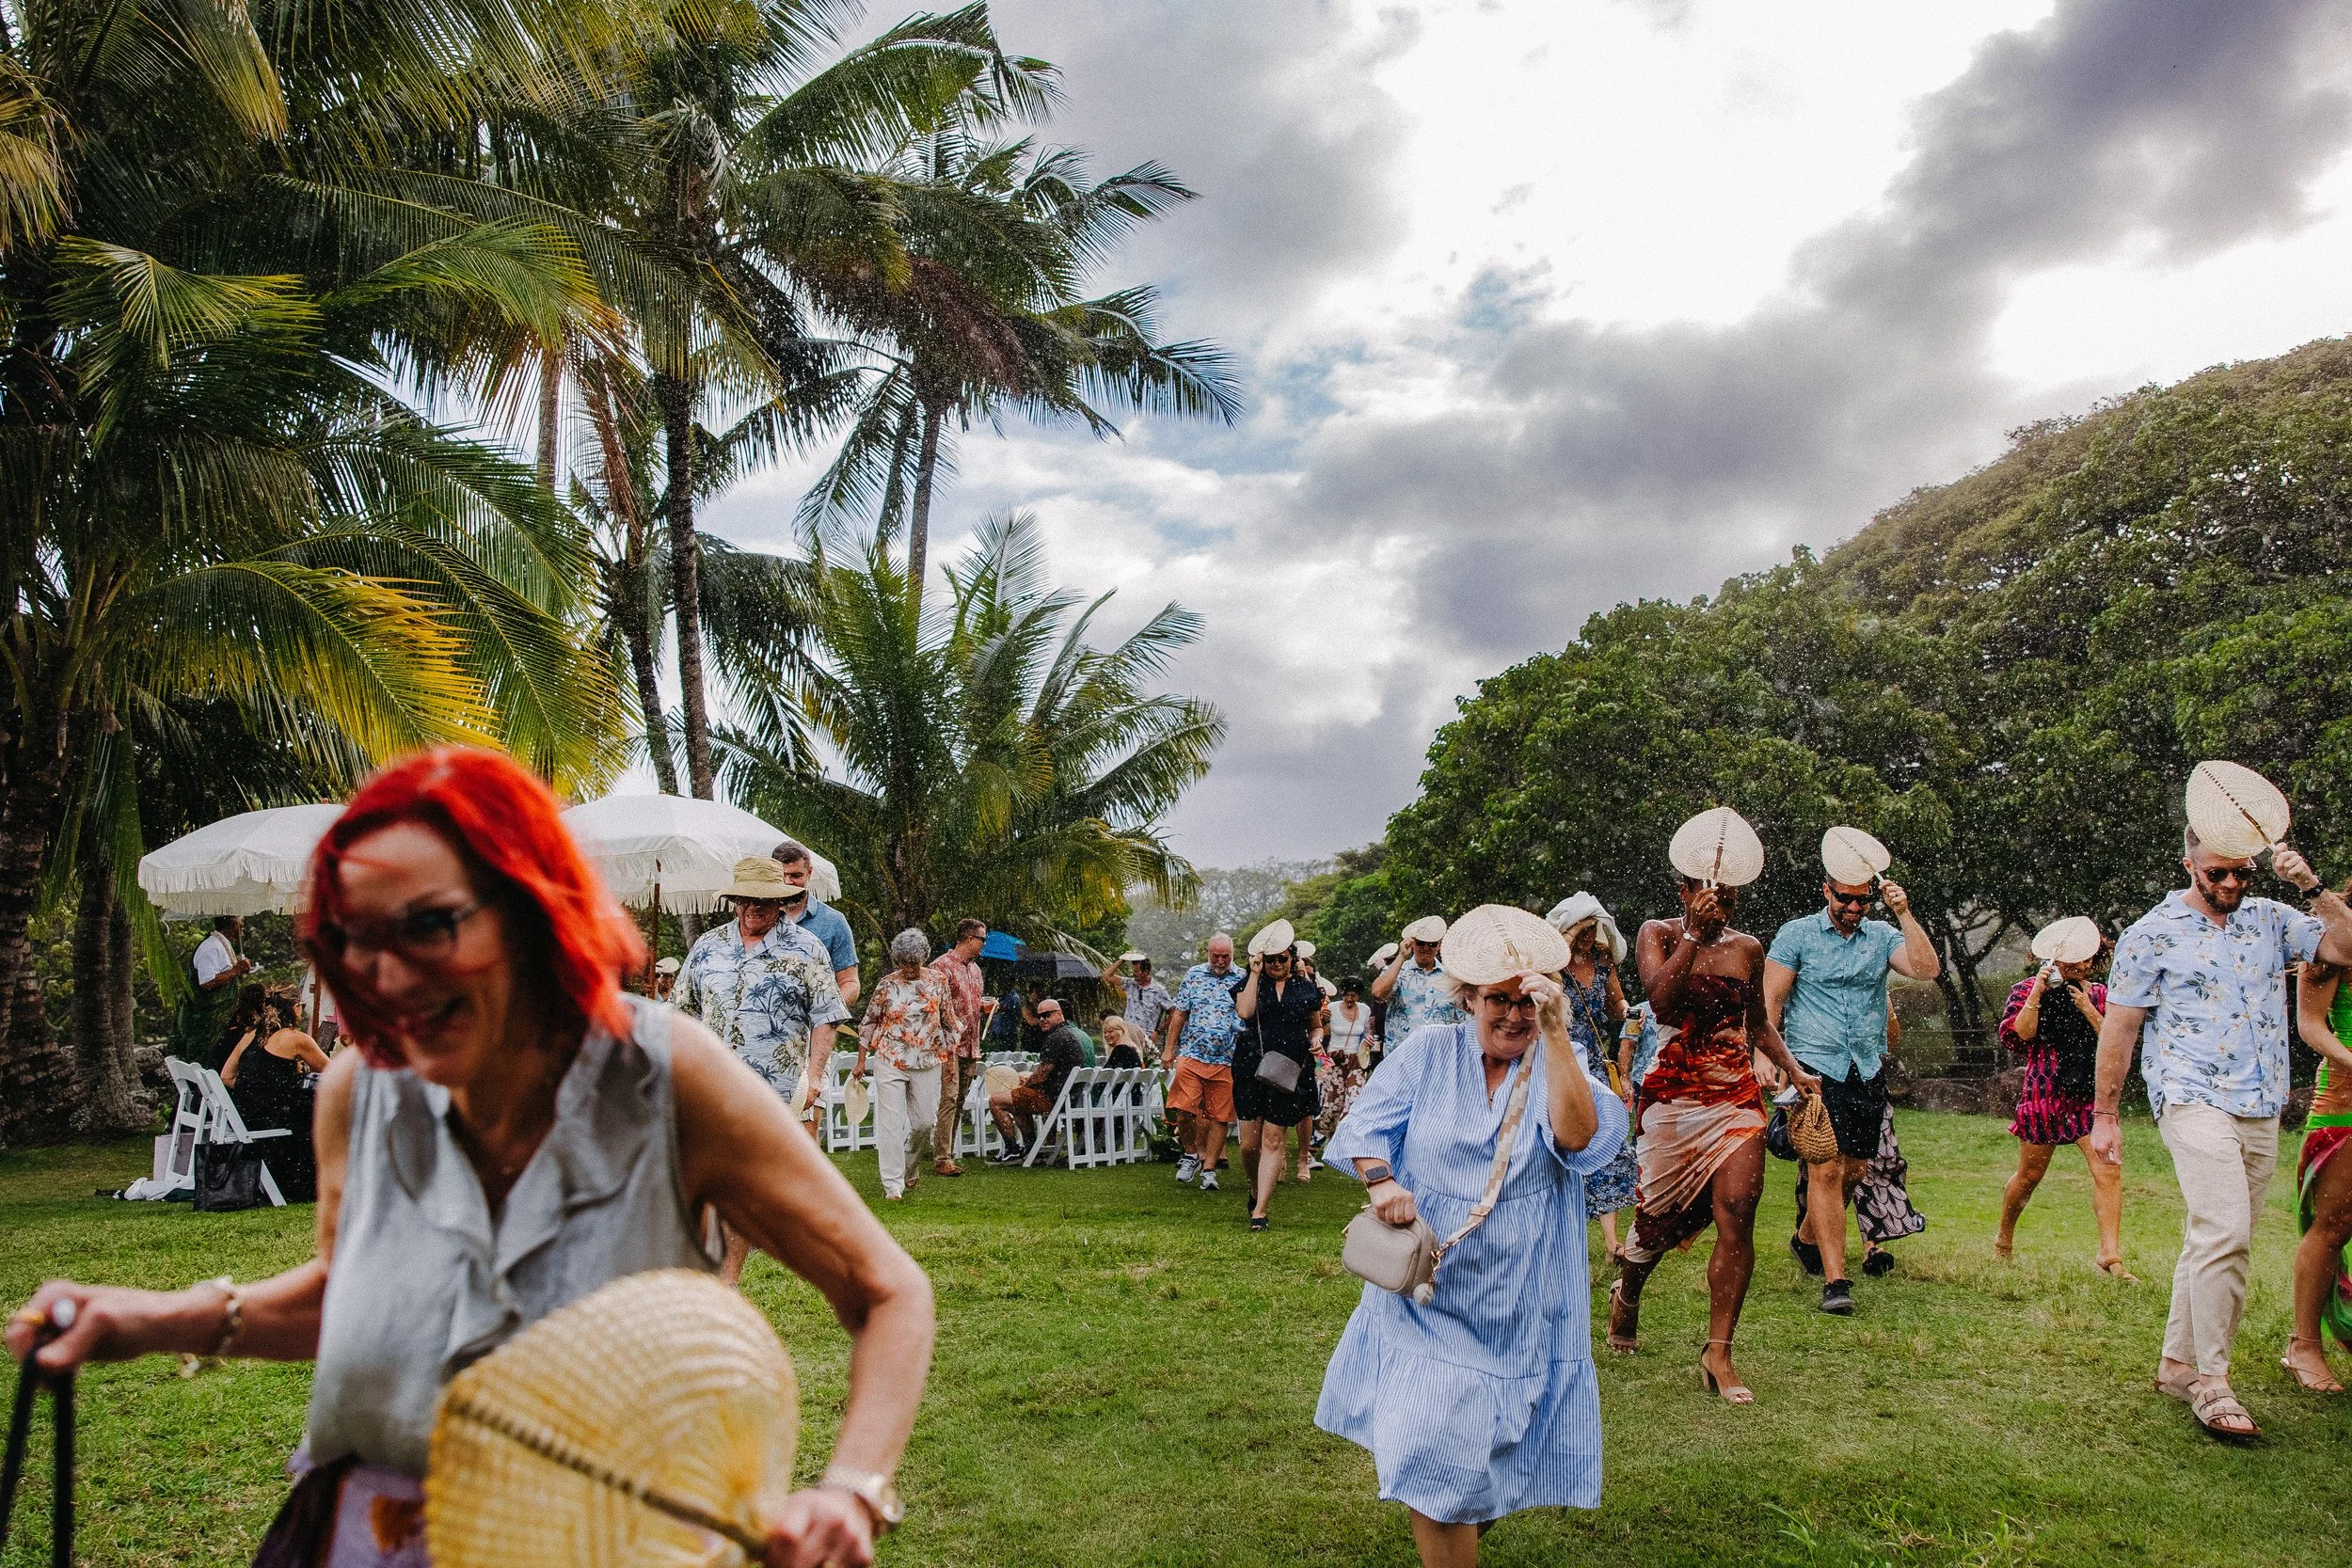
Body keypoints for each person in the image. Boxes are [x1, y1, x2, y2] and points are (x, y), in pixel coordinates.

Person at [7, 747, 930, 1567]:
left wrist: (851, 1488)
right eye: (351, 940)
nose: (386, 974)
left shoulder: (666, 1077)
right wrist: (148, 1319)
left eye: (430, 925)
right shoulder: (356, 1093)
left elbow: (884, 1288)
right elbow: (357, 1296)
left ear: (533, 908)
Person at [1317, 905, 1623, 1568]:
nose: (1512, 1015)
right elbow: (1366, 1128)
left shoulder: (1553, 1065)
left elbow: (1577, 1136)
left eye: (1524, 1002)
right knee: (1434, 1456)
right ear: (1470, 999)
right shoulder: (1428, 1051)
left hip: (1512, 1298)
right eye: (1498, 1001)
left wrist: (1558, 1033)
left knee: (1466, 1471)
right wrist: (1380, 1183)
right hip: (1426, 1294)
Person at [2091, 822, 2352, 1440]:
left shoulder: (2272, 918)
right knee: (2227, 1228)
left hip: (2260, 1104)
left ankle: (2177, 1365)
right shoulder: (2149, 933)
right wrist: (2105, 1114)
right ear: (2188, 863)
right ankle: (2212, 1381)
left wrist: (2311, 885)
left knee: (2216, 1234)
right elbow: (2121, 1029)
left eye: (2242, 872)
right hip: (2189, 1096)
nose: (2231, 883)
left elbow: (2345, 949)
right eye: (2218, 873)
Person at [1613, 859, 1813, 1401]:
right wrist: (1694, 937)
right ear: (1683, 891)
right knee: (1654, 1220)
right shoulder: (1657, 933)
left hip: (1735, 1095)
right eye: (1706, 892)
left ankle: (1719, 1351)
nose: (1717, 901)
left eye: (1728, 894)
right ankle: (1628, 1293)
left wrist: (1793, 1070)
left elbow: (1756, 1022)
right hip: (1673, 1097)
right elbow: (1661, 1000)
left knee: (1739, 1209)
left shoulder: (1749, 948)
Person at [1762, 832, 1940, 1315]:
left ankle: (1805, 1239)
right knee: (1824, 1167)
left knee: (1855, 1170)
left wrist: (1902, 911)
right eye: (1845, 898)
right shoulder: (1796, 934)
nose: (1853, 907)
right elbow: (1770, 1002)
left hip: (1865, 1065)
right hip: (1813, 1066)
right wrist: (1772, 1062)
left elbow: (1926, 969)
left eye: (1862, 900)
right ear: (1827, 891)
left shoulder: (1882, 937)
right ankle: (1836, 1281)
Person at [674, 857, 851, 1284]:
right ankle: (702, 1273)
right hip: (711, 1086)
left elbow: (826, 1017)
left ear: (782, 902)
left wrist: (814, 1078)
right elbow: (681, 1012)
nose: (752, 908)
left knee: (738, 1187)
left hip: (774, 1090)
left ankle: (727, 1281)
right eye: (744, 899)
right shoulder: (708, 947)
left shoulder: (807, 949)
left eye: (763, 901)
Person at [1993, 915, 2128, 1275]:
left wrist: (2087, 1008)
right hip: (2044, 1093)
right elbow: (2020, 1035)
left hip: (2088, 1097)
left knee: (2108, 1171)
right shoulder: (2025, 990)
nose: (2086, 963)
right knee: (2030, 1175)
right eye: (2079, 957)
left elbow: (2114, 1042)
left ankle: (2110, 1257)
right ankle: (2003, 1240)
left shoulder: (2098, 993)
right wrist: (2038, 990)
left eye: (2090, 956)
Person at [1547, 895, 1638, 1260]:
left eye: (1592, 931)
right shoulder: (1554, 967)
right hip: (1557, 1060)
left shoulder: (1602, 961)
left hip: (1595, 1066)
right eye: (1581, 932)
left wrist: (1630, 1015)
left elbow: (1617, 1006)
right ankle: (1559, 1233)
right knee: (1560, 1143)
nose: (1588, 939)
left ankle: (1612, 1242)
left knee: (1608, 1145)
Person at [2290, 932, 2352, 1394]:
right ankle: (2304, 1345)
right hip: (2346, 1100)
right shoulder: (2331, 943)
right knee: (2335, 1223)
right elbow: (2311, 1024)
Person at [1232, 924, 1324, 1231]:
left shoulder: (1305, 988)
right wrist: (1255, 973)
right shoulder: (1251, 982)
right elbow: (1244, 1013)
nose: (1276, 964)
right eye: (1270, 959)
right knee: (1248, 1146)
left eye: (1282, 959)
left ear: (1291, 959)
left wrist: (1317, 1038)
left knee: (1273, 1139)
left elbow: (1316, 1025)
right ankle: (1255, 1187)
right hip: (1251, 1065)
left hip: (1289, 1066)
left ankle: (1260, 1210)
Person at [856, 929, 957, 1202]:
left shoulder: (939, 981)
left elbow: (949, 1022)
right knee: (890, 1123)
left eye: (913, 962)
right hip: (890, 1058)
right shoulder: (887, 985)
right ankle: (892, 1186)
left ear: (923, 958)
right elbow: (868, 1022)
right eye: (903, 963)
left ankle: (910, 1165)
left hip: (927, 1060)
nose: (908, 968)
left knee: (925, 1122)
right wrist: (861, 1060)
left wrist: (950, 1058)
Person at [220, 990, 332, 1200]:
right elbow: (333, 1071)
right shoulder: (296, 1038)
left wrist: (256, 1090)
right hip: (274, 1119)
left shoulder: (251, 1035)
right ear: (295, 1008)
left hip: (247, 1115)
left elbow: (226, 1077)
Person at [1163, 933, 1243, 1191]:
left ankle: (1209, 1170)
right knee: (1183, 1108)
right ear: (1208, 954)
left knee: (1220, 1117)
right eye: (1215, 956)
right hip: (1192, 1054)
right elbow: (1179, 1014)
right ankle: (1189, 1154)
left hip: (1226, 1058)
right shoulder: (1194, 975)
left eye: (1225, 956)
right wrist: (1169, 1050)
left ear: (1232, 954)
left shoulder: (1242, 978)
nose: (1220, 961)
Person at [929, 919, 993, 1178]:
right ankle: (941, 1158)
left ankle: (947, 1151)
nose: (984, 944)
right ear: (968, 938)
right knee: (949, 1098)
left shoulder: (976, 970)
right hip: (948, 1046)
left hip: (971, 1046)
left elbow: (971, 1005)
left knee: (959, 1101)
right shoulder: (940, 967)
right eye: (982, 939)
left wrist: (984, 1007)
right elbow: (930, 1008)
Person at [991, 996, 1087, 1162]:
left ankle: (1012, 1149)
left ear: (1059, 1014)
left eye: (1047, 1015)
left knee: (995, 1100)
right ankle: (1031, 1148)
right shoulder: (1068, 1034)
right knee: (1018, 1100)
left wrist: (1025, 1083)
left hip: (1053, 1099)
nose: (1042, 1019)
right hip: (1068, 1098)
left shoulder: (1056, 1038)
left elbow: (1042, 1073)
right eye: (1039, 1015)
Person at [772, 838, 862, 1011]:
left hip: (813, 1028)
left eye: (796, 875)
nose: (788, 882)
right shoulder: (758, 918)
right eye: (782, 876)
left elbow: (850, 982)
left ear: (809, 872)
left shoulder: (833, 922)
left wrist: (825, 1014)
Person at [1373, 917, 1466, 1042]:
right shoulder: (1397, 971)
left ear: (1439, 946)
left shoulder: (1452, 977)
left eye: (1432, 944)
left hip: (1439, 1054)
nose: (1426, 948)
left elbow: (1464, 1019)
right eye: (1421, 943)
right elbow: (1378, 993)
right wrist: (1401, 956)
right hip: (1402, 1054)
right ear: (1412, 943)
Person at [181, 914, 257, 1067]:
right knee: (203, 1061)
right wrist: (236, 970)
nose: (242, 929)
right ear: (234, 925)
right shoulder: (212, 947)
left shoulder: (221, 944)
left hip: (219, 1020)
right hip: (205, 1020)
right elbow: (207, 982)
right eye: (241, 924)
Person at [1318, 975, 1374, 1145]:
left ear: (1359, 996)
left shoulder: (1364, 1010)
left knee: (1353, 1101)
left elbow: (1368, 1032)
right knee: (1332, 1104)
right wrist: (1322, 1018)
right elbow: (1320, 1032)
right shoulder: (1331, 1008)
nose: (1349, 999)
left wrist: (1369, 1041)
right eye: (1346, 995)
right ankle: (1329, 1136)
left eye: (1353, 995)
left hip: (1355, 1061)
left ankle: (1345, 1141)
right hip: (1333, 1060)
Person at [1104, 951, 1174, 1051]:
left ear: (1145, 972)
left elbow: (1173, 1012)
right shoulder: (1130, 984)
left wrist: (1158, 1031)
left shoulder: (1159, 990)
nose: (1133, 974)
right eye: (1133, 971)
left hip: (1146, 1039)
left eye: (1137, 971)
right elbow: (1107, 976)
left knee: (1143, 1065)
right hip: (1126, 1037)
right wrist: (1122, 959)